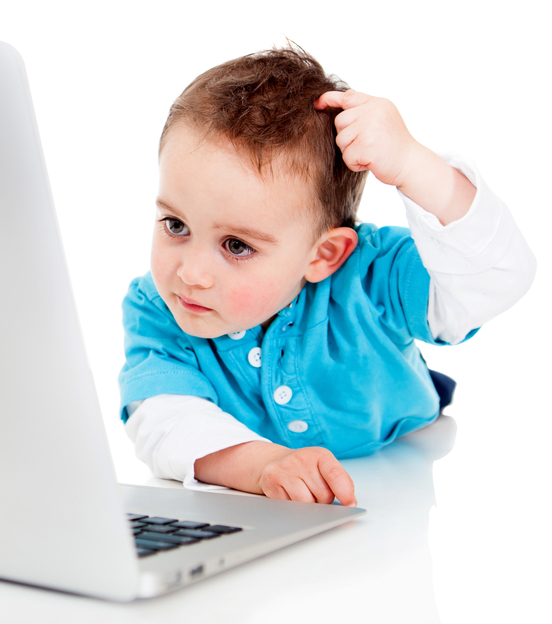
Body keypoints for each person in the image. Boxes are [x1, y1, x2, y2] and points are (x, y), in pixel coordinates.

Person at [118, 45, 536, 506]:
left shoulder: (373, 276)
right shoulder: (158, 308)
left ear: (324, 255)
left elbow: (497, 277)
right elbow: (162, 416)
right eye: (176, 225)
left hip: (407, 479)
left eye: (236, 245)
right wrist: (262, 465)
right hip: (279, 513)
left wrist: (414, 165)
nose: (191, 274)